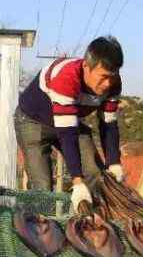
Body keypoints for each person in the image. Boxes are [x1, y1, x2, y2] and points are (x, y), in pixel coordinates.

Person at [14, 36, 126, 212]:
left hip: (69, 120)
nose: (107, 84)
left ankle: (92, 225)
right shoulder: (66, 77)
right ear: (86, 66)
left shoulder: (114, 84)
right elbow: (67, 135)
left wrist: (114, 163)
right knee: (43, 189)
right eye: (103, 77)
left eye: (112, 77)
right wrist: (77, 182)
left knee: (95, 173)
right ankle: (39, 232)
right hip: (33, 121)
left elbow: (108, 125)